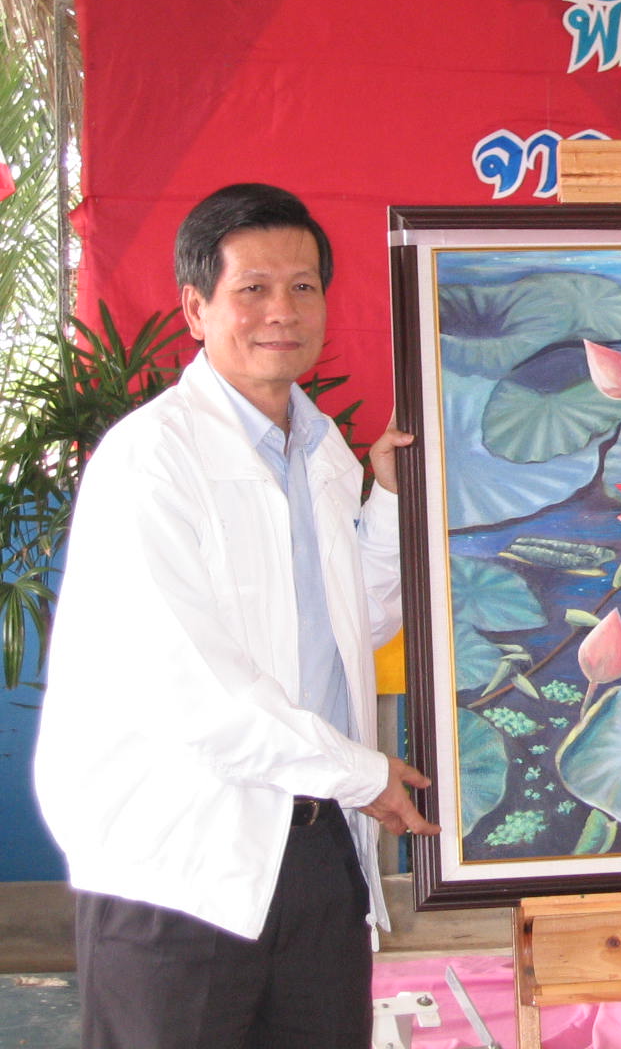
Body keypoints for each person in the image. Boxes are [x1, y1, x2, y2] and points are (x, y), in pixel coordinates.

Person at [34, 182, 440, 1048]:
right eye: (253, 288)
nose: (282, 311)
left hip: (317, 858)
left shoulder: (322, 451)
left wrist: (389, 504)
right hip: (183, 868)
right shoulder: (150, 460)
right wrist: (364, 773)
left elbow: (350, 627)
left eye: (303, 287)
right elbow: (196, 694)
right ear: (196, 308)